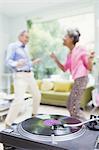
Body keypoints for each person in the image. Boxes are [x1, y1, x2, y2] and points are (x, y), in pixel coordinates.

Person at [50, 28, 95, 121]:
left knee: (74, 107)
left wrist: (90, 58)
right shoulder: (70, 54)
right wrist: (55, 59)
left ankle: (86, 126)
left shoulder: (80, 49)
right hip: (77, 80)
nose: (63, 38)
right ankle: (76, 123)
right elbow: (64, 69)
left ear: (71, 39)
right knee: (70, 104)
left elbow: (89, 67)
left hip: (81, 78)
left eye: (65, 36)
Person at [5, 30, 41, 127]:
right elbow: (8, 61)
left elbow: (27, 63)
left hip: (30, 75)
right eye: (26, 37)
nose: (27, 40)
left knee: (37, 95)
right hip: (20, 76)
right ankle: (8, 123)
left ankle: (34, 116)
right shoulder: (13, 46)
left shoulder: (26, 49)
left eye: (28, 38)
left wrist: (33, 62)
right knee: (19, 100)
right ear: (20, 36)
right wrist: (16, 63)